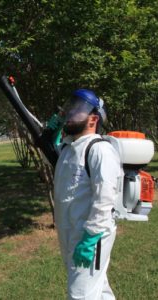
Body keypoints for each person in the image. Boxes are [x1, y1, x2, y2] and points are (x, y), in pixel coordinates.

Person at [48, 89, 121, 300]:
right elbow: (54, 163)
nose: (69, 113)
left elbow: (105, 200)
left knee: (80, 294)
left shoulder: (100, 150)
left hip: (90, 236)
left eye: (77, 110)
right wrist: (50, 136)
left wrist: (90, 238)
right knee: (98, 290)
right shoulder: (69, 148)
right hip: (70, 233)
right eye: (70, 107)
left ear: (93, 119)